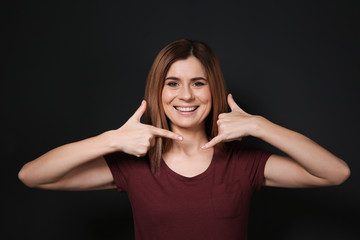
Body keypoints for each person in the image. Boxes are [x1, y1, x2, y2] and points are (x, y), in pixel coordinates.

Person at [18, 39, 350, 240]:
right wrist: (110, 140)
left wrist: (261, 126)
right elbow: (32, 175)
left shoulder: (245, 163)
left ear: (213, 89)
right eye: (173, 83)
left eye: (198, 83)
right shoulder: (135, 166)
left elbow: (335, 173)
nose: (186, 95)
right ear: (158, 91)